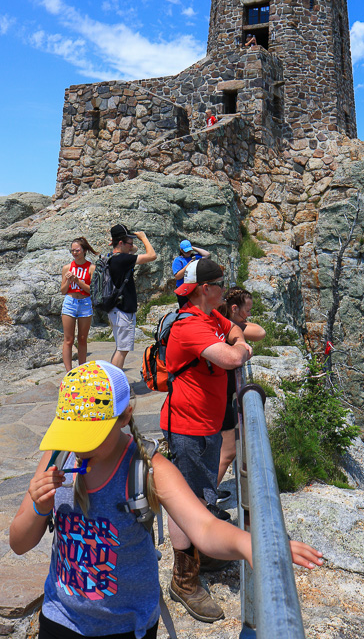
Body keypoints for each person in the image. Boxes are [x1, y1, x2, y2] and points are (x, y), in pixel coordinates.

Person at [9, 361, 323, 639]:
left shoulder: (148, 469)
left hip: (126, 627)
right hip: (59, 620)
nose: (79, 445)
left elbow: (204, 527)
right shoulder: (58, 457)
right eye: (72, 432)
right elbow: (19, 543)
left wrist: (250, 544)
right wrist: (39, 506)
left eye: (90, 435)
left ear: (125, 416)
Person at [161, 258, 254, 621]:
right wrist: (242, 350)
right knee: (190, 499)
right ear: (205, 288)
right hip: (187, 428)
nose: (224, 288)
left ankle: (201, 549)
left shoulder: (210, 317)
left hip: (206, 424)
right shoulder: (189, 326)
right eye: (220, 283)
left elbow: (236, 331)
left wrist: (240, 342)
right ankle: (184, 580)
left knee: (201, 494)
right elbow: (232, 354)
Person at [216, 288, 266, 489]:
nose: (250, 315)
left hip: (219, 394)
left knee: (218, 450)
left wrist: (238, 319)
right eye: (248, 309)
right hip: (221, 396)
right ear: (234, 308)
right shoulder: (227, 327)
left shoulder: (220, 322)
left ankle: (206, 496)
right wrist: (238, 323)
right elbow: (260, 332)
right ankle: (206, 500)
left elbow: (255, 328)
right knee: (228, 451)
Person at [108, 224, 157, 370]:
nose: (132, 246)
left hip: (116, 308)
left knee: (119, 348)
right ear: (121, 243)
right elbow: (152, 256)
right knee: (122, 350)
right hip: (123, 310)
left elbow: (133, 250)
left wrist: (125, 241)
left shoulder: (112, 257)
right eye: (129, 242)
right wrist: (143, 238)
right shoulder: (122, 259)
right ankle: (115, 384)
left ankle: (111, 380)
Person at [61, 237, 98, 372]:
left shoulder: (91, 268)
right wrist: (69, 282)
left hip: (85, 303)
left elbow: (92, 291)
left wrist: (77, 281)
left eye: (77, 250)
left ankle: (82, 369)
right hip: (70, 302)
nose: (75, 253)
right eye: (72, 251)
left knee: (82, 339)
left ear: (84, 250)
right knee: (68, 340)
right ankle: (69, 372)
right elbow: (63, 290)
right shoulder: (67, 268)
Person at [172, 239, 210, 309]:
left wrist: (193, 248)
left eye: (189, 250)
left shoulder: (194, 257)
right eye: (186, 251)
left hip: (194, 288)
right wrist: (188, 265)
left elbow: (207, 254)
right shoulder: (178, 260)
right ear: (181, 251)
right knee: (185, 309)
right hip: (183, 289)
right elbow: (177, 276)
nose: (188, 252)